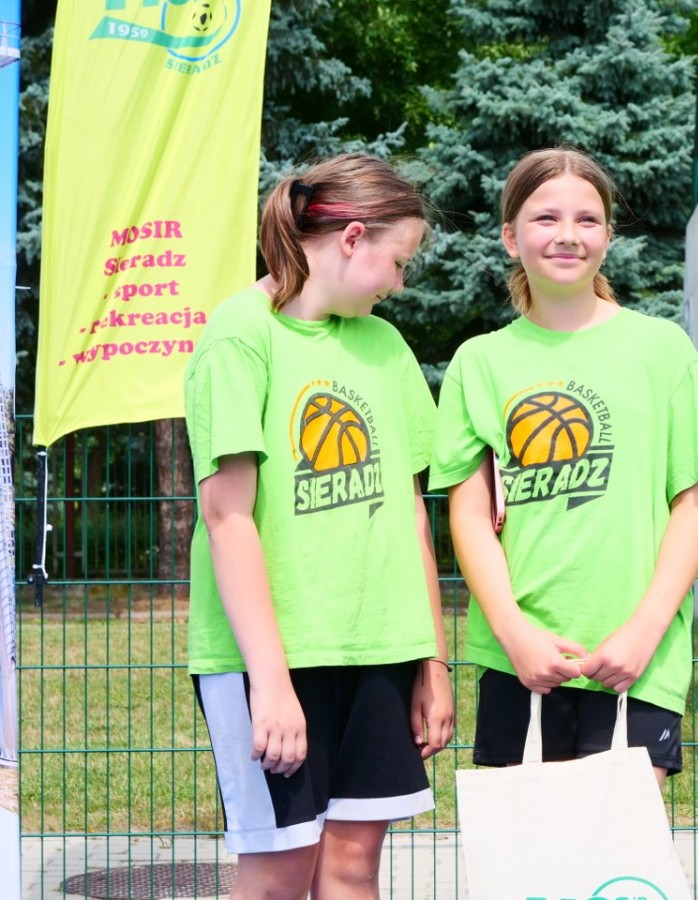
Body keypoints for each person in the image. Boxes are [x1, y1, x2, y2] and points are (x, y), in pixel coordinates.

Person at [184, 153, 454, 900]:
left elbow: (411, 518)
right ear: (352, 238)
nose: (400, 283)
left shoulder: (385, 346)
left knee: (351, 870)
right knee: (278, 875)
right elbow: (227, 516)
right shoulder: (239, 335)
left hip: (379, 653)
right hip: (271, 658)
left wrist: (431, 664)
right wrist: (271, 683)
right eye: (398, 262)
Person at [430, 147, 698, 785]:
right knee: (528, 848)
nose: (568, 235)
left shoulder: (663, 351)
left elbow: (695, 502)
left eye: (587, 220)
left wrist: (645, 630)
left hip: (636, 660)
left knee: (619, 846)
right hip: (520, 661)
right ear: (510, 237)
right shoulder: (480, 363)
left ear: (608, 237)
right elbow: (470, 516)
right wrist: (514, 634)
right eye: (546, 218)